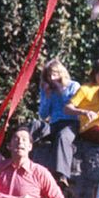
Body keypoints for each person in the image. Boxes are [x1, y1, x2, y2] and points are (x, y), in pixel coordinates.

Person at [33, 58, 81, 189]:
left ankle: (61, 175)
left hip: (71, 122)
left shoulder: (73, 85)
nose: (52, 78)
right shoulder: (47, 89)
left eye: (54, 74)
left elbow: (73, 106)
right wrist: (47, 96)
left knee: (62, 137)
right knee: (35, 125)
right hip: (54, 123)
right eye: (49, 75)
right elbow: (43, 114)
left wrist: (61, 89)